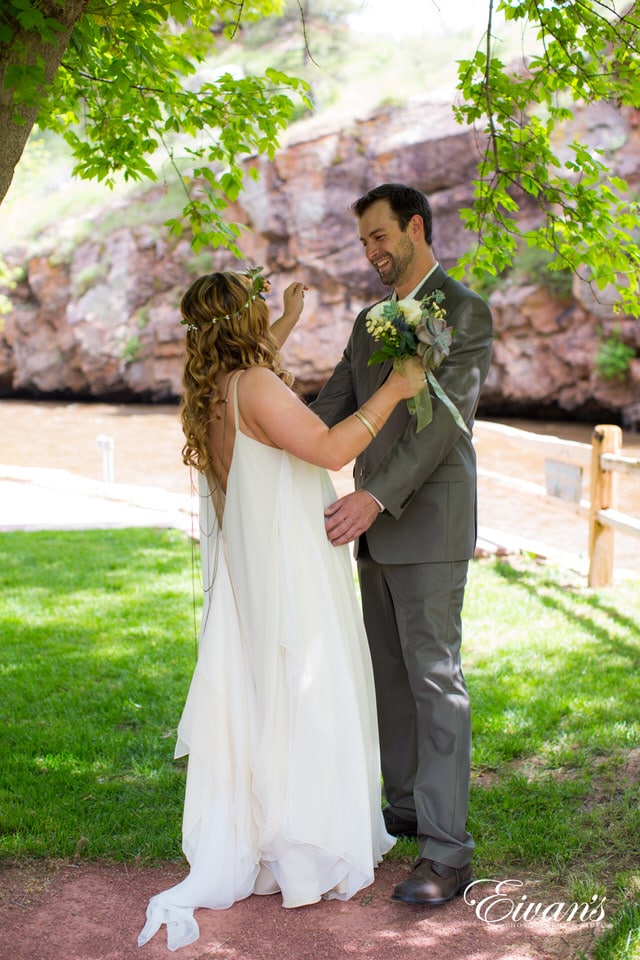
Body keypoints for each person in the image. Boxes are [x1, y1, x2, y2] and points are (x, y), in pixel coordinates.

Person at [138, 269, 424, 951]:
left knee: (273, 689)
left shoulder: (215, 389)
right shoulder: (257, 387)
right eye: (261, 302)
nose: (270, 305)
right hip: (290, 564)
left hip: (256, 569)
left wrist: (287, 322)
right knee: (308, 688)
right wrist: (396, 386)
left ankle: (277, 833)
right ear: (243, 319)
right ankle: (307, 849)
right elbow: (329, 447)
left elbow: (257, 382)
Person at [311, 183, 493, 906]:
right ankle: (406, 810)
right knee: (389, 675)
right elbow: (330, 409)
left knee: (434, 680)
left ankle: (448, 855)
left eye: (379, 237)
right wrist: (250, 405)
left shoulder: (467, 313)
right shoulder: (367, 323)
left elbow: (442, 427)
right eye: (363, 243)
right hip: (370, 532)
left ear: (416, 228)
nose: (371, 253)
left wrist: (375, 496)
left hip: (427, 522)